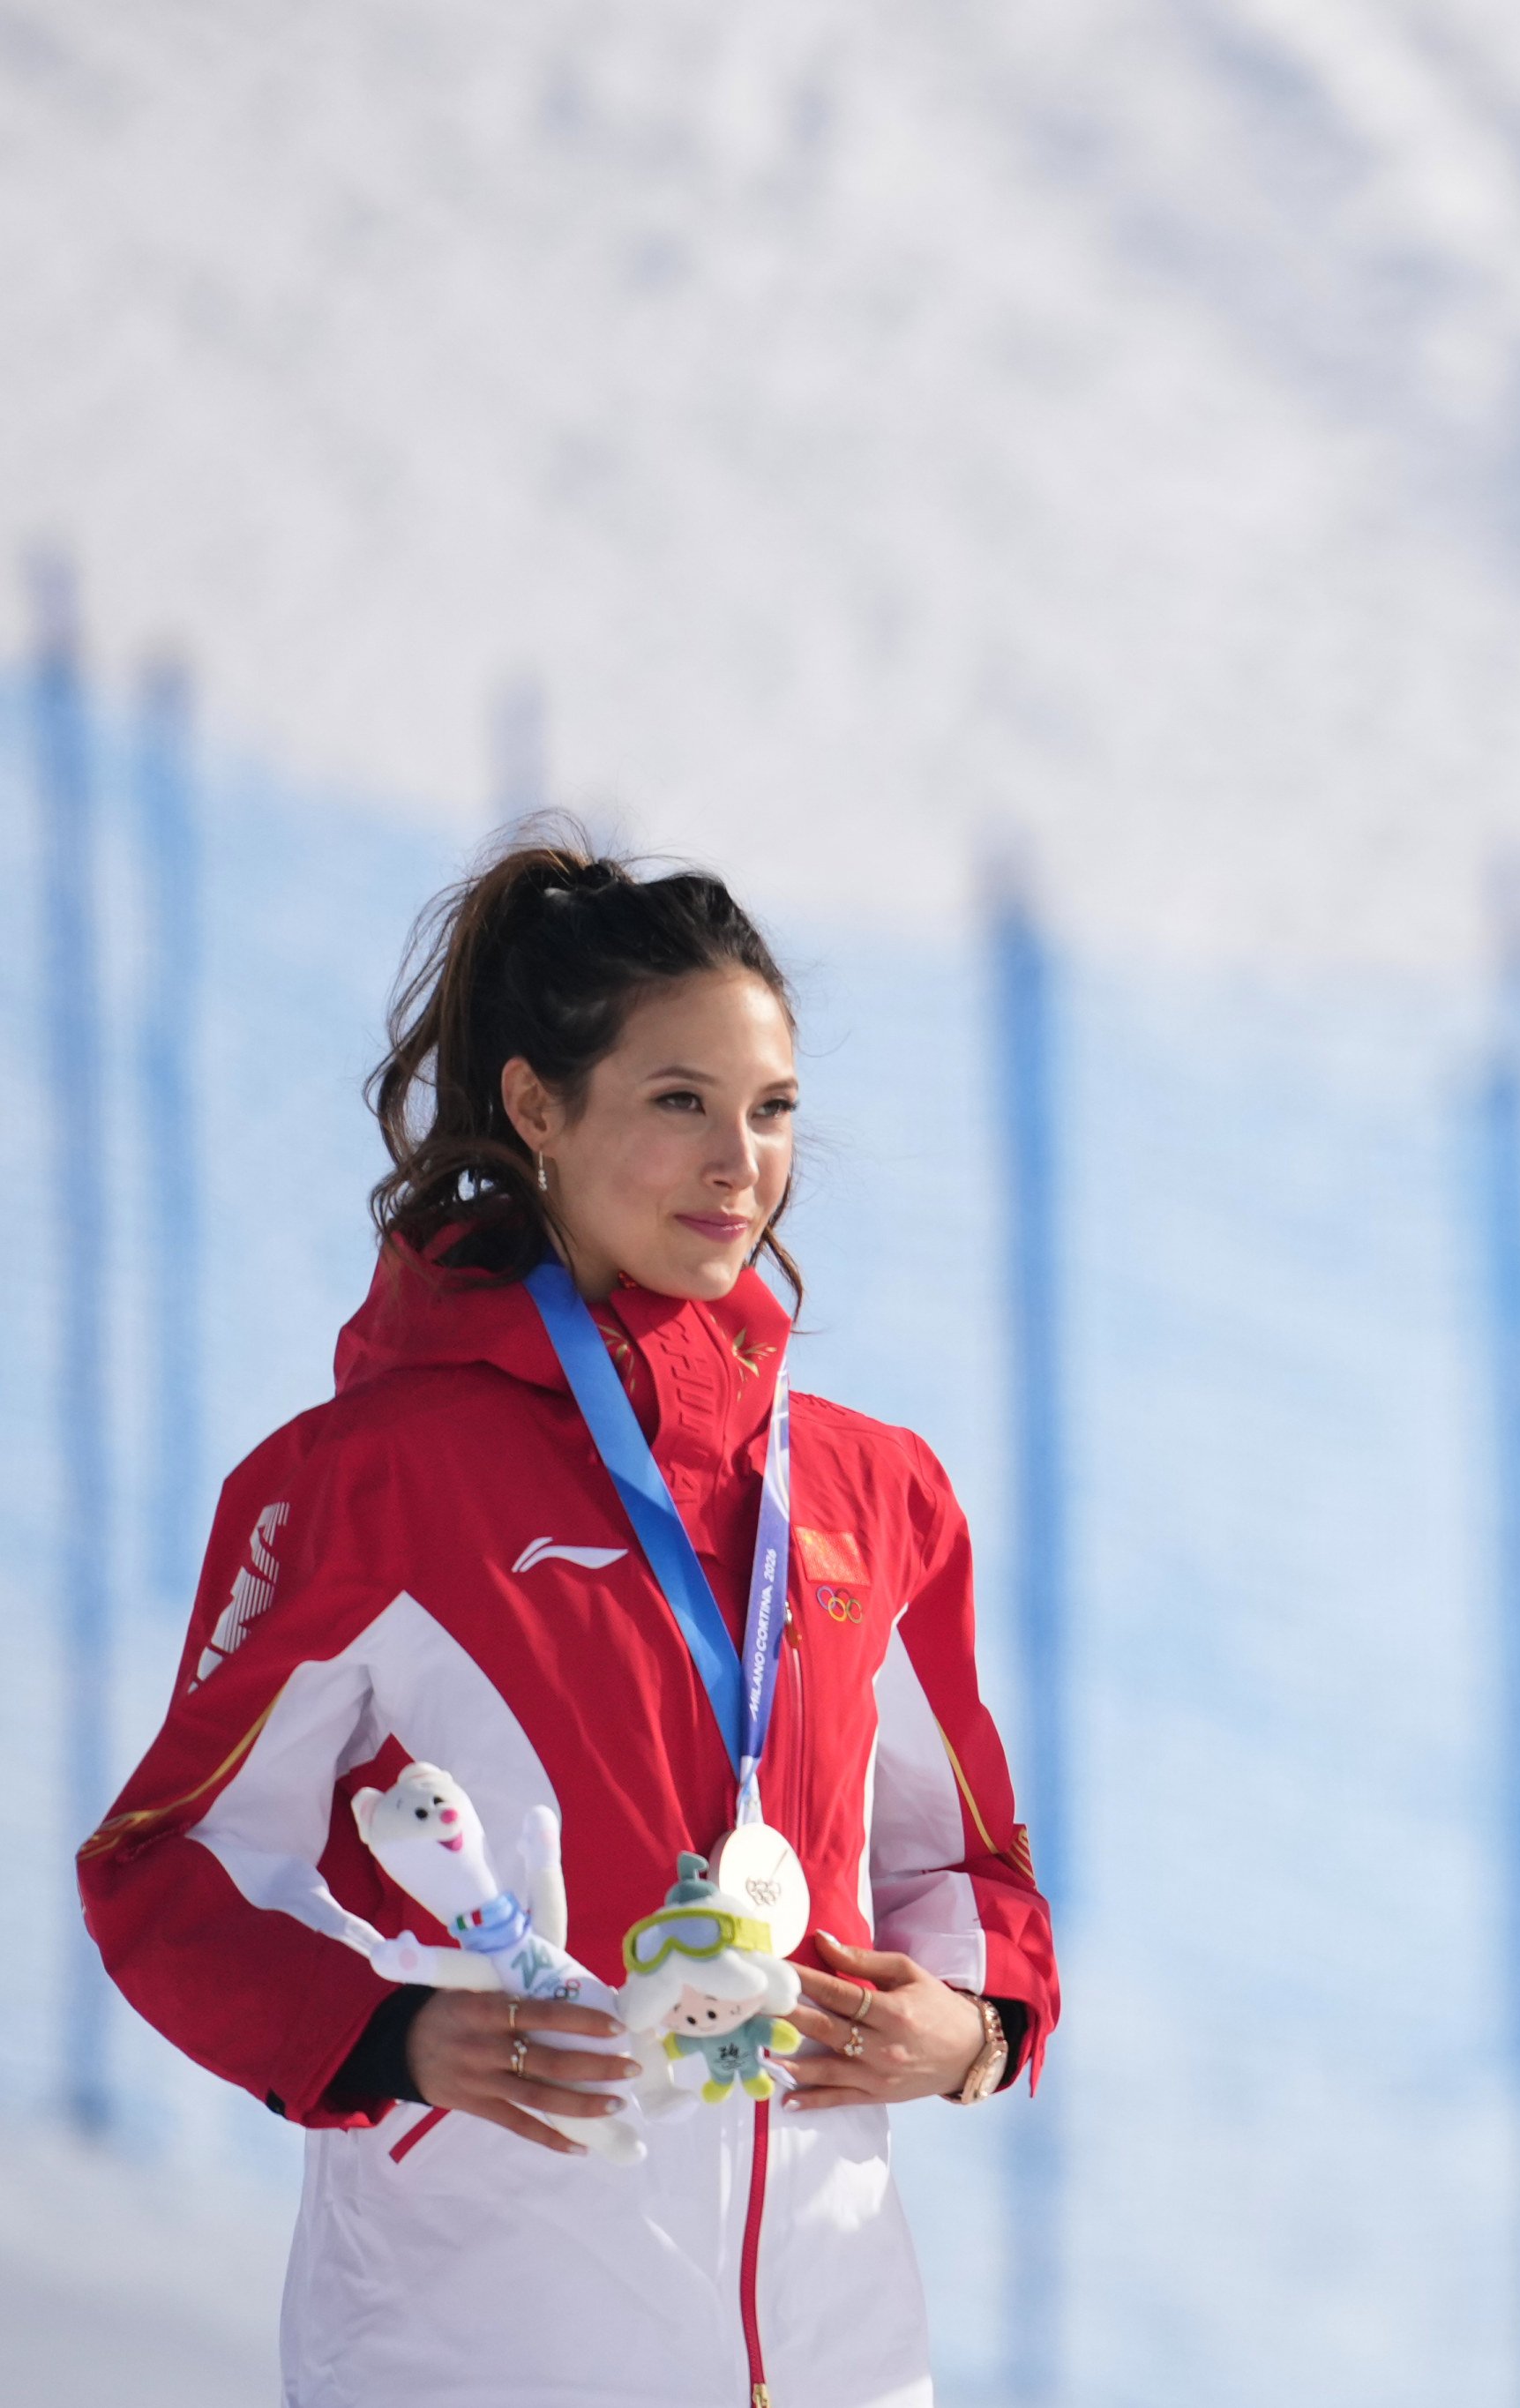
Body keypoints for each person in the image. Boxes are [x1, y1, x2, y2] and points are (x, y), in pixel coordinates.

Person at [80, 832, 1058, 2408]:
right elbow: (166, 1869)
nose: (741, 1164)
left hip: (835, 2353)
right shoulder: (371, 1481)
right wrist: (390, 2035)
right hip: (479, 2345)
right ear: (538, 1105)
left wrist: (978, 2027)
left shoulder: (874, 1495)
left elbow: (960, 1861)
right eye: (681, 1102)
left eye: (773, 1108)